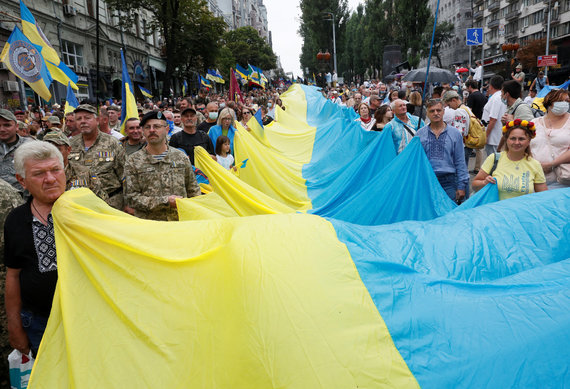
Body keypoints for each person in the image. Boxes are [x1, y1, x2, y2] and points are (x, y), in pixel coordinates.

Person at [4, 141, 66, 356]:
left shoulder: (86, 211)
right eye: (39, 173)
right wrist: (15, 325)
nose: (50, 179)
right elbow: (13, 275)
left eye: (55, 170)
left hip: (89, 317)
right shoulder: (16, 220)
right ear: (22, 181)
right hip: (40, 323)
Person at [123, 111, 201, 221]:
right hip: (150, 225)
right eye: (147, 127)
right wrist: (165, 202)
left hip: (180, 223)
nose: (152, 130)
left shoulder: (181, 157)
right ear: (143, 132)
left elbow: (193, 191)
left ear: (167, 129)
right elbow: (131, 198)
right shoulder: (133, 161)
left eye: (157, 126)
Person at [472, 119, 547, 200]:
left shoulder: (535, 165)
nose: (517, 142)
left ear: (529, 141)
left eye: (521, 139)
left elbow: (543, 197)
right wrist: (484, 183)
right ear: (506, 140)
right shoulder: (494, 158)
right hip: (495, 211)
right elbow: (474, 185)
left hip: (520, 212)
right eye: (513, 138)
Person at [69, 104, 125, 209]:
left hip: (111, 203)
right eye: (79, 119)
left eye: (87, 118)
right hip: (81, 205)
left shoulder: (112, 142)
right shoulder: (70, 144)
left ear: (97, 120)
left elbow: (125, 175)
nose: (83, 121)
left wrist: (128, 204)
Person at [417, 99, 469, 202]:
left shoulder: (455, 133)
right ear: (427, 113)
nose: (436, 113)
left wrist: (461, 185)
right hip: (427, 181)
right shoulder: (419, 134)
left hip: (449, 182)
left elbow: (460, 162)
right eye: (432, 111)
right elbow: (416, 162)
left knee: (450, 215)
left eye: (438, 110)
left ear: (443, 111)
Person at [530, 89, 570, 189]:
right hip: (534, 179)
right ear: (549, 102)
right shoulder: (534, 123)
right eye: (560, 101)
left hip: (562, 181)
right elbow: (526, 146)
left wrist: (551, 164)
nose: (564, 104)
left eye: (567, 101)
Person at [0, 109, 32, 194]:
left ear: (17, 126)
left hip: (24, 200)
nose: (2, 129)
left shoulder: (31, 146)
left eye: (7, 125)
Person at [482, 75, 506, 156]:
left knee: (493, 163)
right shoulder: (500, 97)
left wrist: (486, 136)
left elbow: (493, 119)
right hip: (497, 136)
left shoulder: (496, 98)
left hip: (493, 138)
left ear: (491, 86)